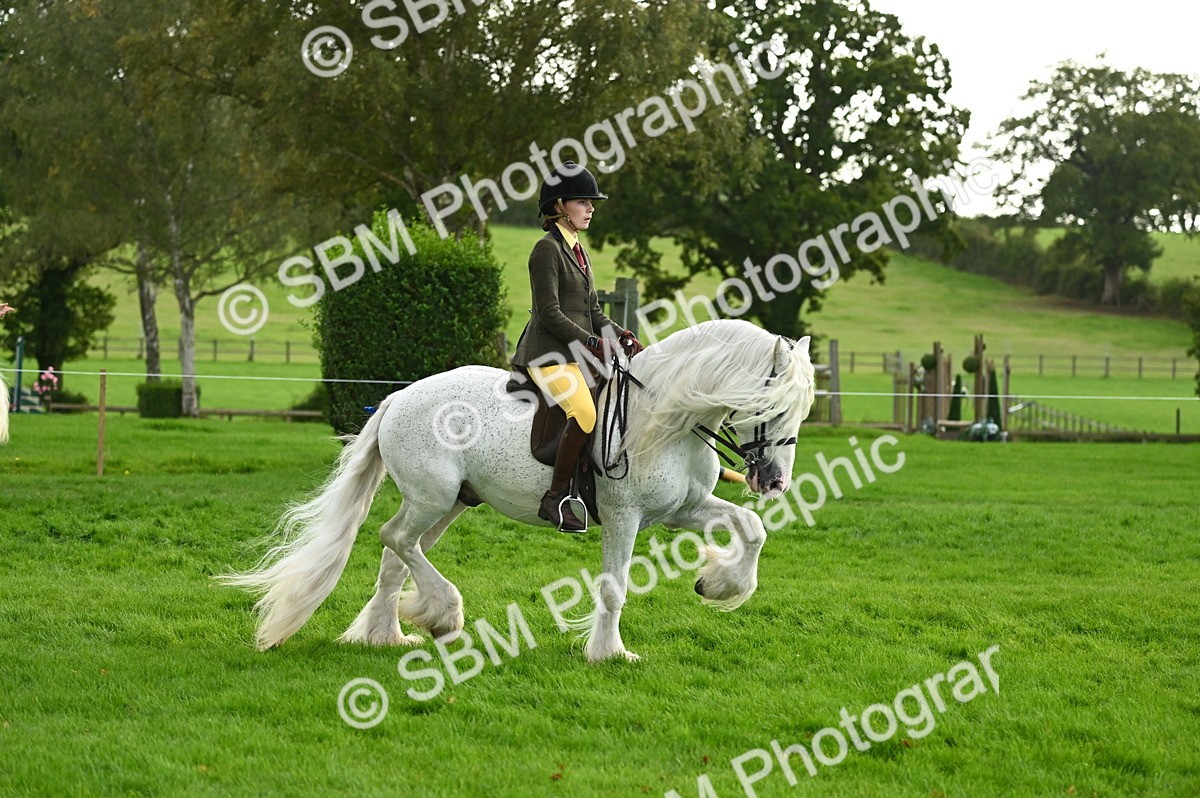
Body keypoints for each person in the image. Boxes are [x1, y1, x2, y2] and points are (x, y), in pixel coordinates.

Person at [510, 162, 642, 531]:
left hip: (576, 355)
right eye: (583, 202)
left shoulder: (578, 250)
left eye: (591, 202)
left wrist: (619, 335)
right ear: (559, 206)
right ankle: (554, 499)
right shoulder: (546, 250)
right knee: (585, 413)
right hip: (548, 356)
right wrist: (591, 342)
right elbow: (550, 313)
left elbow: (593, 309)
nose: (591, 208)